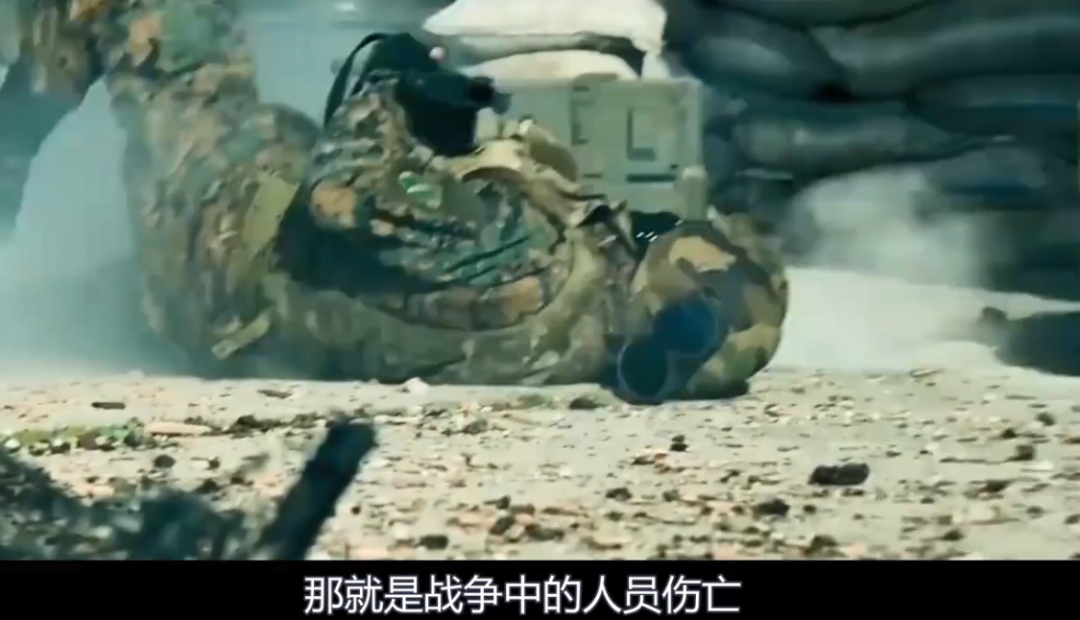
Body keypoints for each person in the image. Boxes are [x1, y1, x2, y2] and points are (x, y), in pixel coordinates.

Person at [1, 0, 789, 402]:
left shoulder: (547, 263)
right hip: (260, 313)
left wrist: (395, 91)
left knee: (160, 24)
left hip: (230, 243)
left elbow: (344, 197)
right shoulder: (582, 345)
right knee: (84, 308)